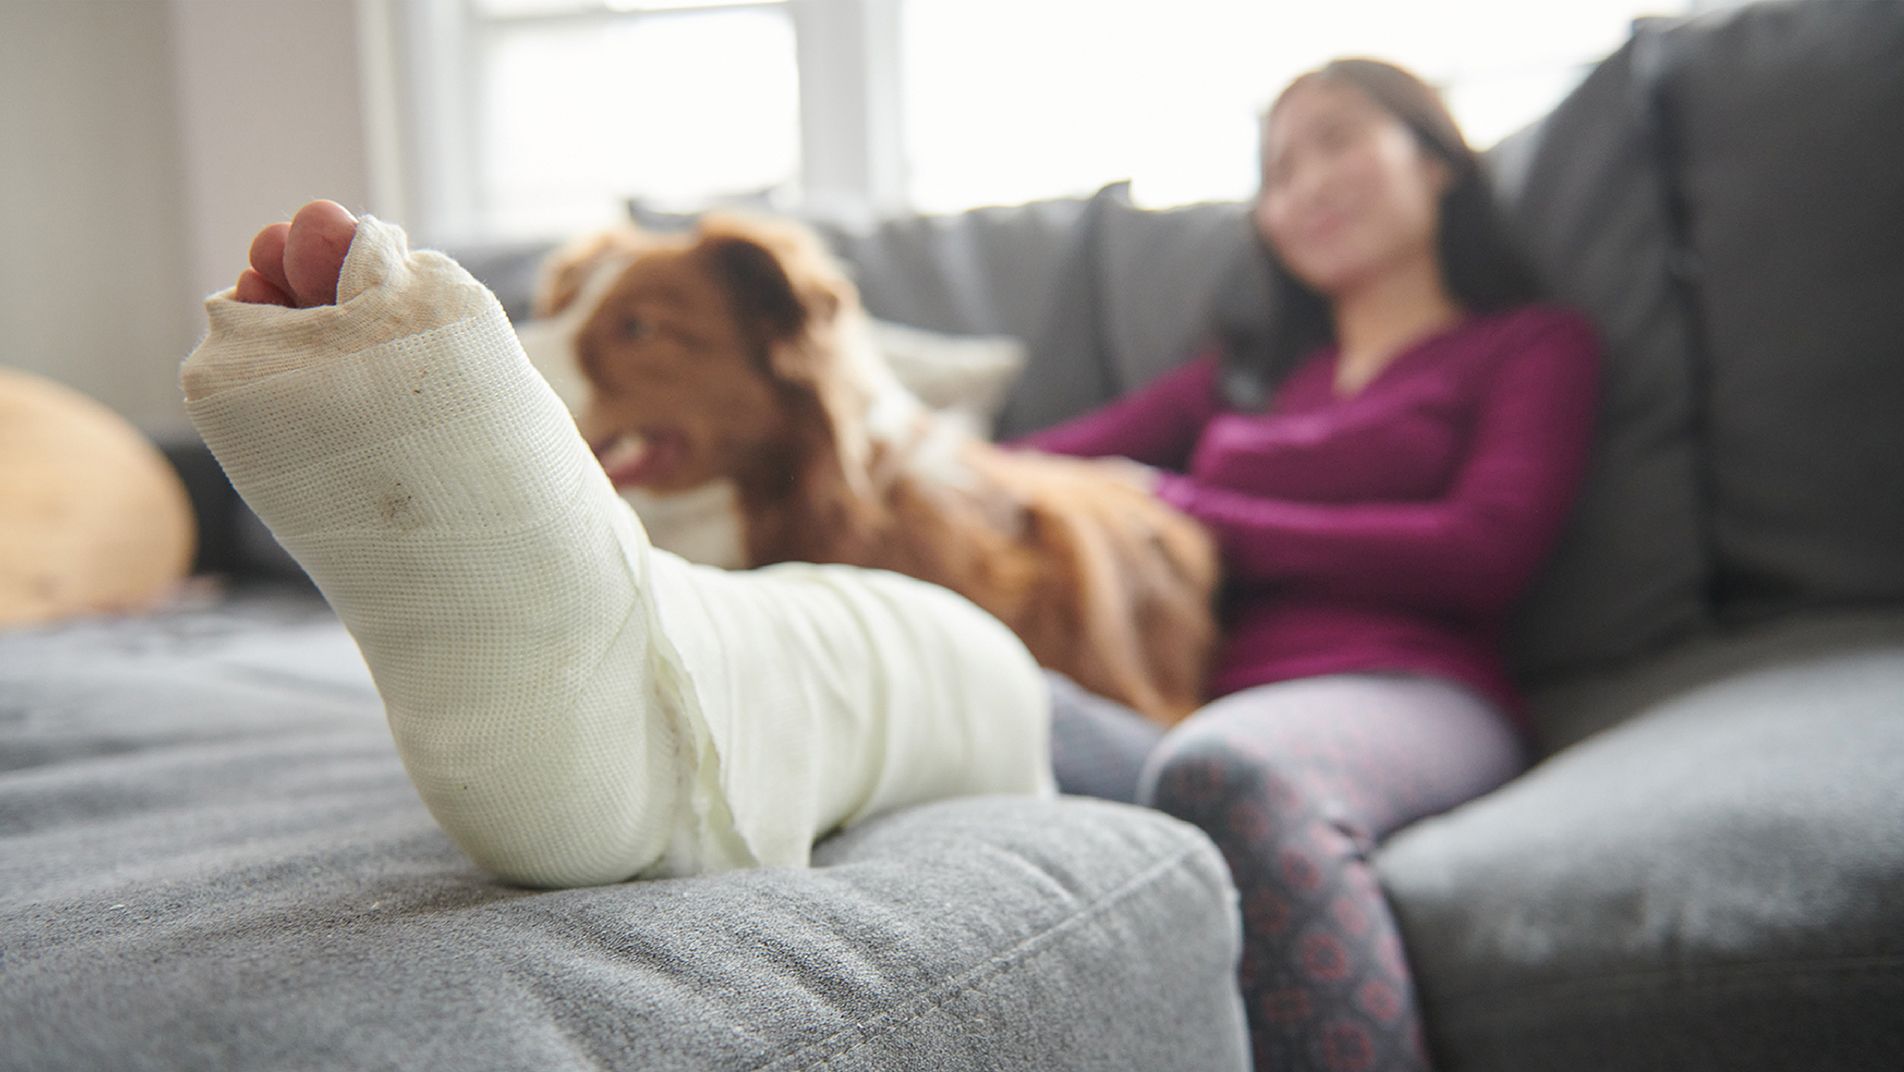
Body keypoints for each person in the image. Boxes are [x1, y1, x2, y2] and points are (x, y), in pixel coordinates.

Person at [1019, 59, 1600, 1071]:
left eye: (1336, 139)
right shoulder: (1240, 381)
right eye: (1278, 170)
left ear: (1435, 161)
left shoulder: (1525, 345)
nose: (1304, 185)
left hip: (1408, 689)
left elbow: (1482, 551)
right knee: (984, 699)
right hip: (1186, 705)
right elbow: (1033, 467)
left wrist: (1192, 514)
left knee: (1229, 770)